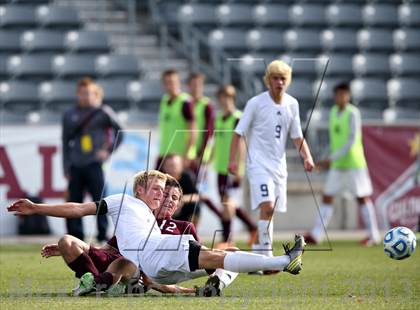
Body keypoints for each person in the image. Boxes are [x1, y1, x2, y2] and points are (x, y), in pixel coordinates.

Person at [8, 170, 306, 296]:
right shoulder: (123, 201)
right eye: (157, 190)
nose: (162, 196)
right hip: (156, 256)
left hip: (161, 268)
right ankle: (283, 262)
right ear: (140, 190)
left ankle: (255, 270)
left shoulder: (150, 220)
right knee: (218, 254)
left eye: (166, 193)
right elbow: (77, 209)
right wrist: (37, 208)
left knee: (221, 256)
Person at [228, 60, 314, 268]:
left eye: (283, 78)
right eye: (275, 78)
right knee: (266, 207)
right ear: (268, 80)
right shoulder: (256, 103)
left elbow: (296, 136)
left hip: (278, 166)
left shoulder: (292, 104)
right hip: (258, 164)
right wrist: (233, 160)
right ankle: (267, 260)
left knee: (270, 211)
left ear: (288, 81)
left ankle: (257, 259)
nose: (279, 82)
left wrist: (307, 156)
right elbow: (238, 133)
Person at [304, 82, 380, 246]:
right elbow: (335, 141)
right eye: (337, 94)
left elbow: (351, 141)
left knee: (362, 198)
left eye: (343, 94)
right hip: (338, 165)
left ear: (348, 96)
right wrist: (329, 157)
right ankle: (316, 235)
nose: (340, 97)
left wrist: (331, 159)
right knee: (327, 196)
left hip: (354, 164)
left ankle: (373, 236)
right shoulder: (332, 112)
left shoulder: (353, 113)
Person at [61, 78, 124, 242]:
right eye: (82, 93)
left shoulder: (103, 112)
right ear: (77, 94)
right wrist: (66, 167)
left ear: (94, 94)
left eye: (88, 93)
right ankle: (75, 237)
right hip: (75, 164)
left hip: (95, 164)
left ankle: (102, 236)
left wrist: (108, 150)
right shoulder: (69, 115)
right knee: (74, 202)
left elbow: (121, 132)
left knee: (100, 202)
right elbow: (65, 142)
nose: (85, 96)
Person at [213, 85, 257, 244]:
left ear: (232, 98)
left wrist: (239, 167)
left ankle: (227, 240)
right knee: (229, 204)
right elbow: (216, 142)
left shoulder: (238, 117)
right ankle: (252, 228)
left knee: (227, 204)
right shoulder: (218, 118)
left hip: (232, 169)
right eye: (222, 98)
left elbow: (241, 144)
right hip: (220, 168)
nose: (225, 101)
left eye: (228, 97)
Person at [157, 69, 196, 170]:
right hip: (164, 154)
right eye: (167, 82)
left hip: (179, 157)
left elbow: (193, 130)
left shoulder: (185, 102)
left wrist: (187, 155)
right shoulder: (164, 101)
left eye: (173, 82)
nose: (170, 85)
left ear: (178, 82)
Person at [187, 72, 215, 172]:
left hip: (197, 155)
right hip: (183, 154)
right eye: (193, 84)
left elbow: (209, 133)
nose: (196, 88)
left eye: (199, 85)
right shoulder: (184, 103)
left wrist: (201, 155)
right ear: (188, 86)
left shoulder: (207, 105)